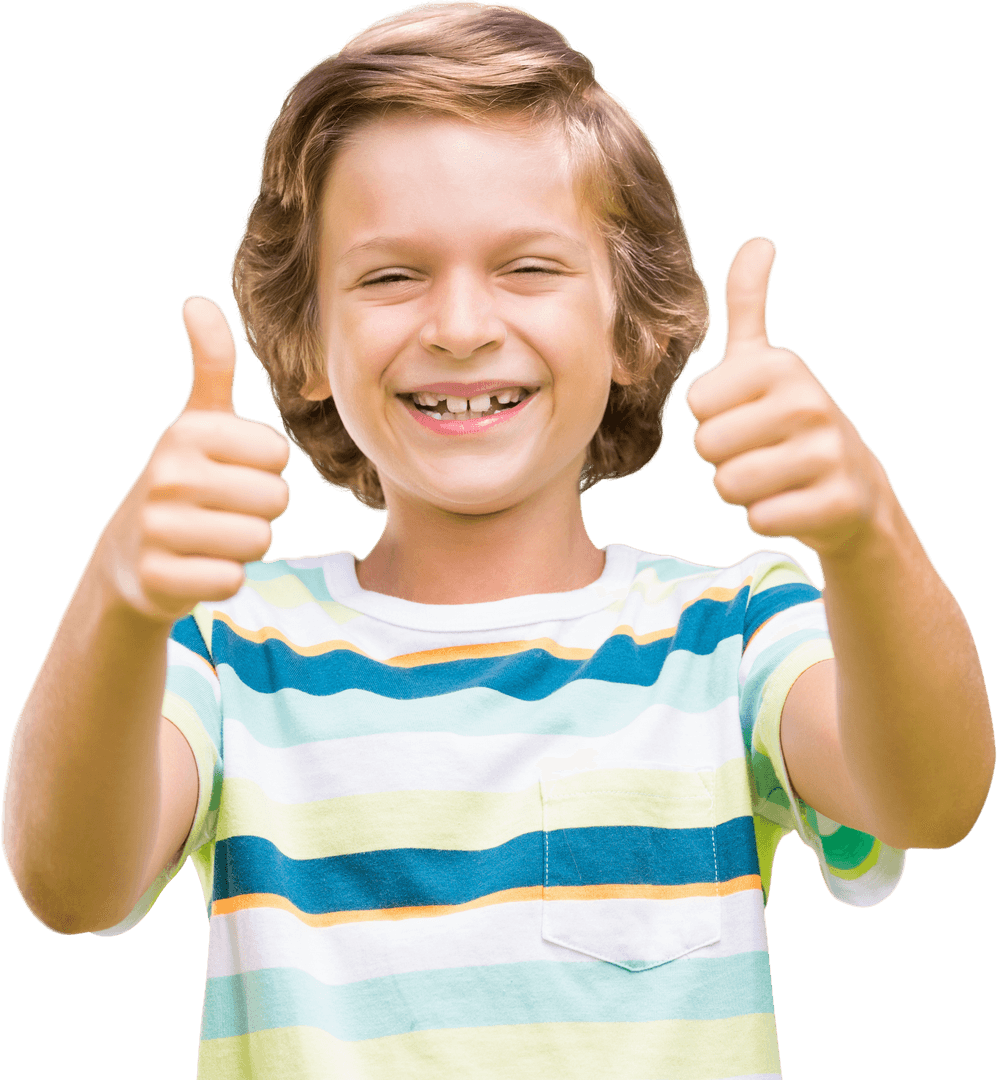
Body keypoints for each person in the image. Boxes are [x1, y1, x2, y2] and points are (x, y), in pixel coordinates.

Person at [3, 3, 993, 1078]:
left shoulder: (730, 631)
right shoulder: (227, 647)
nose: (462, 326)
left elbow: (930, 802)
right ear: (302, 341)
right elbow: (71, 886)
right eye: (391, 275)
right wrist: (117, 594)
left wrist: (865, 531)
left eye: (527, 267)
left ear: (629, 322)